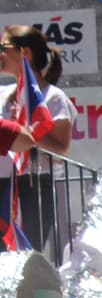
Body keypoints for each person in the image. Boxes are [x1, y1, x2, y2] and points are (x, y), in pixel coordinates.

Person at [0, 25, 76, 250]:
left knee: (28, 251)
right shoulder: (3, 92)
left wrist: (26, 130)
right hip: (4, 183)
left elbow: (61, 148)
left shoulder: (53, 98)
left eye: (3, 47)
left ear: (25, 53)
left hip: (36, 184)